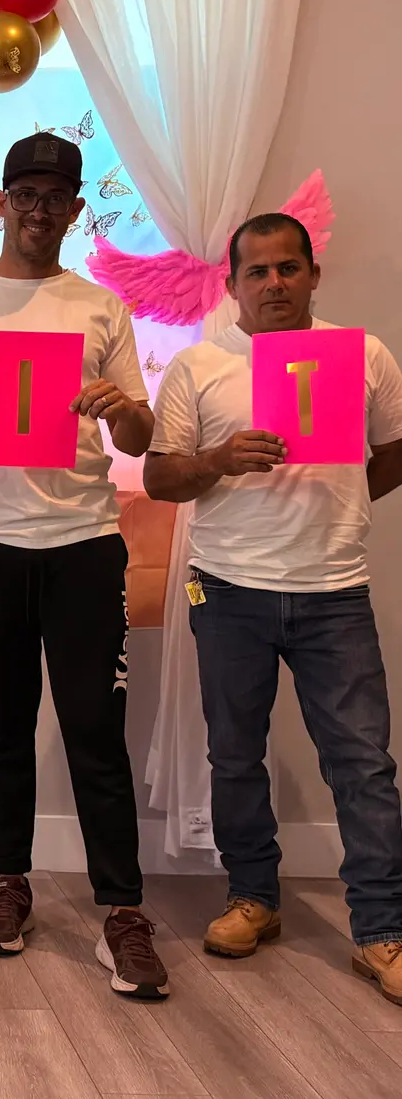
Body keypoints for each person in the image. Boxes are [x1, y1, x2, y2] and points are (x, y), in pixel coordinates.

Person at [0, 133, 169, 999]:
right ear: (1, 202)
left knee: (95, 730)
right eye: (26, 194)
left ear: (76, 209)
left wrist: (121, 407)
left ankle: (122, 910)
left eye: (56, 197)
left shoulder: (100, 309)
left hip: (84, 540)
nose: (39, 210)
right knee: (4, 724)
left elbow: (140, 438)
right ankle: (9, 883)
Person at [144, 212, 402, 999]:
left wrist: (343, 504)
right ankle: (252, 898)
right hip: (228, 590)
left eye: (289, 267)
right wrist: (219, 461)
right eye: (257, 271)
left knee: (363, 764)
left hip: (335, 591)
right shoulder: (198, 365)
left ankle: (382, 931)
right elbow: (160, 479)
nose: (274, 283)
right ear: (232, 285)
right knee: (234, 756)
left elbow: (393, 451)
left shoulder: (364, 354)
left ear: (314, 274)